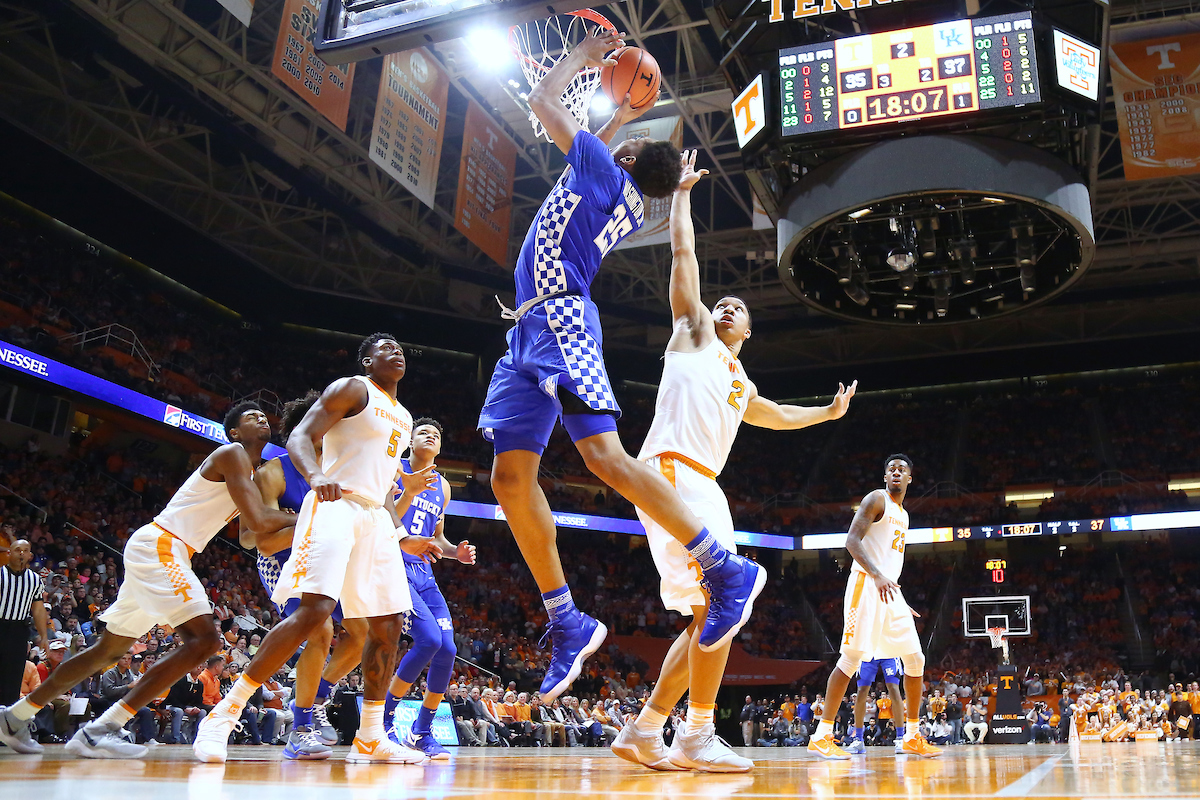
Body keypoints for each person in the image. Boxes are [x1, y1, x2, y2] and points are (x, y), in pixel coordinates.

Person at [476, 28, 761, 704]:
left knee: (604, 457)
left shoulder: (602, 173)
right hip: (528, 329)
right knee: (509, 478)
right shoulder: (621, 187)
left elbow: (548, 97)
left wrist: (586, 58)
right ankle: (566, 617)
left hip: (561, 317)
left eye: (619, 140)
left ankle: (724, 569)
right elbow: (609, 146)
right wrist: (625, 110)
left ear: (623, 158)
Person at [611, 152, 854, 773]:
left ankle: (648, 730)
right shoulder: (691, 332)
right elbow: (685, 259)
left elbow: (772, 413)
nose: (725, 307)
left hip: (701, 485)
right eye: (721, 303)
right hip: (671, 472)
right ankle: (695, 732)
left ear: (749, 328)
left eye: (737, 306)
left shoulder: (740, 379)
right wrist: (684, 196)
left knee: (705, 615)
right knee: (726, 598)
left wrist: (825, 415)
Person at [192, 334, 442, 764]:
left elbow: (383, 487)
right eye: (385, 347)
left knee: (387, 625)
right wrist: (313, 475)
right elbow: (300, 437)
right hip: (335, 505)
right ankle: (223, 715)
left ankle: (369, 735)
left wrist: (402, 535)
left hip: (375, 518)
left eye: (400, 347)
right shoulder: (352, 387)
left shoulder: (403, 416)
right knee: (316, 613)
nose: (396, 351)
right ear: (366, 360)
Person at [0, 404, 294, 758]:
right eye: (251, 416)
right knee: (205, 641)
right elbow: (262, 521)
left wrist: (284, 520)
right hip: (164, 545)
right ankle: (102, 729)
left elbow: (249, 537)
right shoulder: (232, 454)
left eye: (263, 415)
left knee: (107, 649)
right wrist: (305, 515)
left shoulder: (254, 471)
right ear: (234, 432)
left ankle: (13, 719)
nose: (261, 418)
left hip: (165, 549)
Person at [251, 390, 369, 759]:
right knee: (321, 631)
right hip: (285, 561)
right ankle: (299, 728)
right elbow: (262, 543)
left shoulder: (344, 470)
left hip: (331, 558)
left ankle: (316, 696)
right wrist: (310, 522)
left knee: (364, 636)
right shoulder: (273, 472)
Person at [808, 455, 941, 759]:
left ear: (910, 478)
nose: (896, 472)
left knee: (915, 659)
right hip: (866, 584)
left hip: (889, 591)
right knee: (851, 658)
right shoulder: (876, 499)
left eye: (902, 469)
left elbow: (890, 561)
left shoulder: (904, 514)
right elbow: (852, 541)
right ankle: (822, 735)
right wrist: (879, 576)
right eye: (891, 469)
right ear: (885, 477)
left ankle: (911, 735)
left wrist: (899, 599)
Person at [381, 418, 478, 759]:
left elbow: (437, 537)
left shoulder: (443, 486)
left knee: (448, 648)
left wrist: (456, 553)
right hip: (393, 565)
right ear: (409, 441)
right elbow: (386, 516)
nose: (430, 436)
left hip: (425, 572)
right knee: (429, 640)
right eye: (423, 432)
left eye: (436, 434)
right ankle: (385, 718)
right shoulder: (394, 470)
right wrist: (408, 490)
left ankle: (421, 731)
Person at [0, 539, 48, 708]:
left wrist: (44, 636)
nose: (21, 553)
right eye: (17, 549)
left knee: (14, 675)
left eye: (25, 550)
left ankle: (6, 720)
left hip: (19, 629)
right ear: (8, 553)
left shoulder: (35, 579)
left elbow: (38, 609)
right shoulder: (0, 575)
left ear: (30, 555)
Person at [846, 658, 906, 755]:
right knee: (861, 691)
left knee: (894, 690)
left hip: (889, 651)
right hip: (869, 652)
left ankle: (900, 738)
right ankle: (858, 739)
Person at [164, 664, 207, 744]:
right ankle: (175, 739)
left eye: (201, 667)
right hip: (173, 706)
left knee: (202, 712)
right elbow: (173, 699)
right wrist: (185, 708)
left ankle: (196, 738)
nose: (198, 668)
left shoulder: (200, 684)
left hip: (188, 707)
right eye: (196, 666)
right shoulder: (180, 680)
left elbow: (199, 701)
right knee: (179, 711)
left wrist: (196, 708)